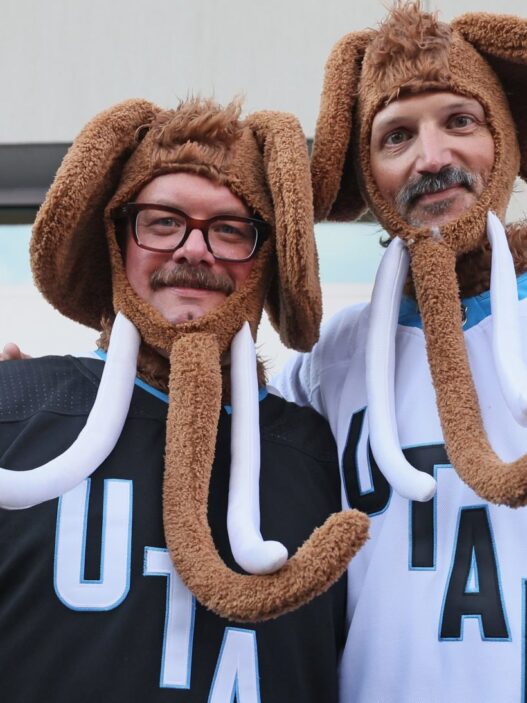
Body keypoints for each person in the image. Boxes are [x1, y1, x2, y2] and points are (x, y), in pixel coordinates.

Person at [0, 97, 368, 701]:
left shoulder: (321, 456)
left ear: (266, 263)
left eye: (230, 230)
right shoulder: (16, 413)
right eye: (163, 221)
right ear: (118, 244)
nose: (194, 250)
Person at [274, 4, 527, 701]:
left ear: (501, 138)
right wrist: (54, 401)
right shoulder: (329, 359)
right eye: (395, 136)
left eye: (459, 120)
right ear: (368, 175)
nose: (432, 157)